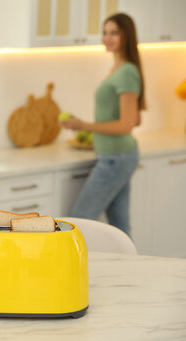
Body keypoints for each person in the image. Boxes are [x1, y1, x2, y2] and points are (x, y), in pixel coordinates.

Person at [61, 13, 146, 236]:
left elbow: (127, 124)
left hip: (116, 159)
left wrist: (85, 125)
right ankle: (128, 269)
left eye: (114, 32)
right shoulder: (119, 69)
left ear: (127, 35)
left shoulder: (126, 71)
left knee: (78, 222)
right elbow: (136, 118)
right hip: (117, 156)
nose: (107, 38)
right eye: (105, 32)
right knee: (120, 226)